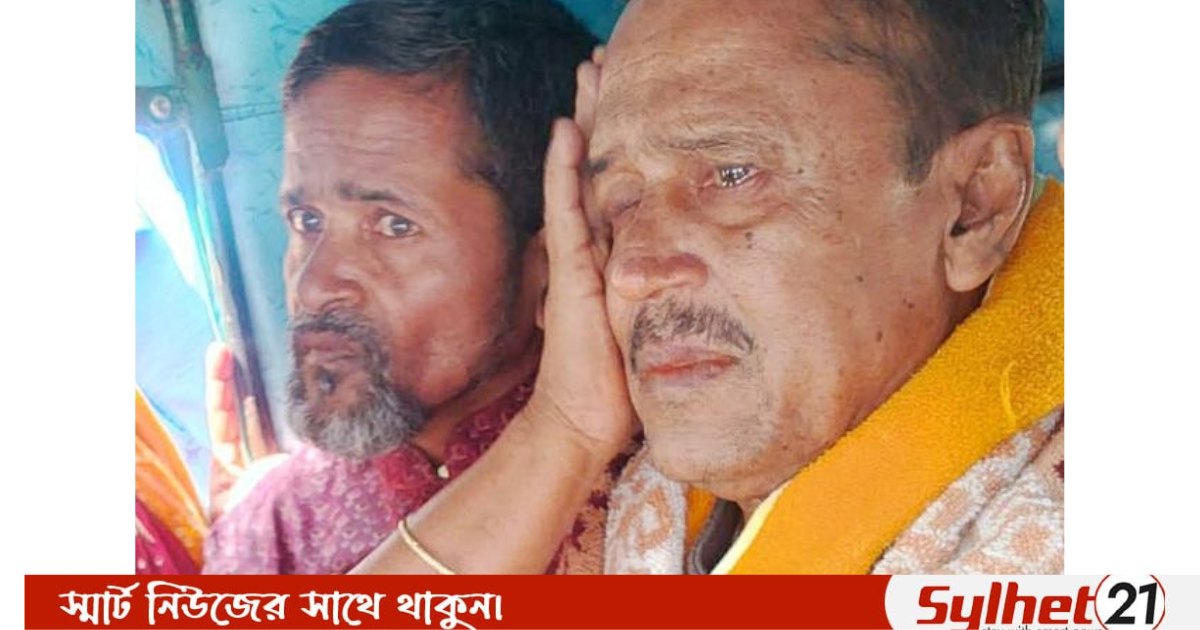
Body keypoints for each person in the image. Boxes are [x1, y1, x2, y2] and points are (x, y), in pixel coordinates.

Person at [356, 0, 1063, 575]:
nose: (632, 273)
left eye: (732, 175)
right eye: (621, 200)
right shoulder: (640, 492)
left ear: (976, 204)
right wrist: (565, 425)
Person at [202, 0, 619, 575]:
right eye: (306, 220)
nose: (314, 286)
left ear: (553, 256)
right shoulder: (272, 531)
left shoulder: (676, 496)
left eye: (393, 226)